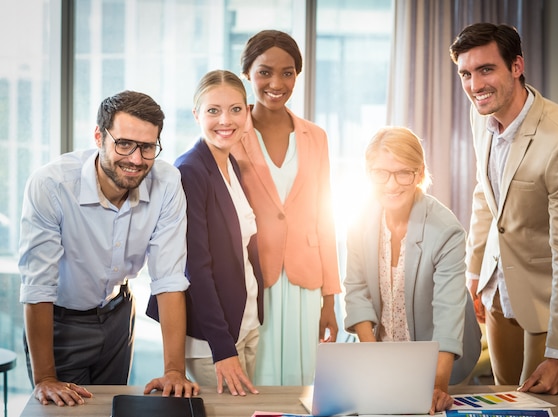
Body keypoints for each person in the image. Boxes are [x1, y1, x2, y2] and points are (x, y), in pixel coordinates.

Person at [449, 23, 558, 395]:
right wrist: (474, 275)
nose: (474, 85)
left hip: (548, 292)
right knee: (504, 397)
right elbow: (484, 195)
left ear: (517, 66)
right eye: (466, 74)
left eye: (486, 69)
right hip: (498, 284)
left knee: (538, 401)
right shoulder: (479, 114)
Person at [18, 90, 200, 406]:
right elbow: (38, 287)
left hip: (118, 316)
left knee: (111, 410)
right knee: (65, 411)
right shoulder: (51, 185)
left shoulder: (167, 182)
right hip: (61, 322)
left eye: (147, 147)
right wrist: (45, 378)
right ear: (99, 136)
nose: (135, 159)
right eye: (124, 144)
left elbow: (169, 279)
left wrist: (173, 371)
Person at [343, 126, 482, 414]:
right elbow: (357, 292)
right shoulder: (358, 221)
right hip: (388, 357)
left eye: (403, 172)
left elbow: (448, 312)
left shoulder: (446, 230)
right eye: (381, 172)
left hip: (443, 361)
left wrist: (438, 385)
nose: (391, 185)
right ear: (368, 173)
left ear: (419, 174)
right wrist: (373, 364)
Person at [230, 29, 342, 386]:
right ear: (247, 73)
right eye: (265, 71)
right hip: (252, 279)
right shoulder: (230, 133)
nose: (276, 82)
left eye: (287, 72)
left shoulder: (316, 136)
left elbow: (325, 217)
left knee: (303, 384)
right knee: (257, 382)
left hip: (305, 284)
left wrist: (330, 298)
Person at [147, 70, 263, 396]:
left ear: (247, 112)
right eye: (213, 110)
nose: (225, 120)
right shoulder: (190, 171)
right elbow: (195, 268)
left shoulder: (230, 163)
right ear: (197, 114)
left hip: (245, 322)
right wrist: (222, 348)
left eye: (235, 109)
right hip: (213, 339)